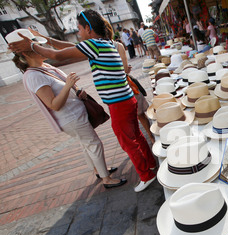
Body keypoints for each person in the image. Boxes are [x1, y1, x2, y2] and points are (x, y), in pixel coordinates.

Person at [9, 10, 158, 192]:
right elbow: (68, 46)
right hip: (127, 99)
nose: (78, 32)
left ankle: (146, 175)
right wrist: (44, 40)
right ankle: (150, 164)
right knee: (136, 135)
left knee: (128, 142)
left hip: (119, 103)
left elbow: (58, 55)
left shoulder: (93, 45)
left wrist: (31, 46)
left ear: (88, 28)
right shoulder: (106, 43)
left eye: (79, 28)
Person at [7, 29, 126, 189]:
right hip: (71, 118)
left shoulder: (45, 67)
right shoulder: (33, 76)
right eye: (37, 48)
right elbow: (53, 104)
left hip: (75, 114)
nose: (42, 51)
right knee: (93, 144)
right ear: (28, 53)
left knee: (87, 144)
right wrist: (68, 85)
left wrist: (75, 90)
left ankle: (99, 170)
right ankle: (106, 178)